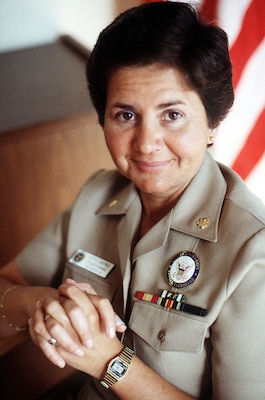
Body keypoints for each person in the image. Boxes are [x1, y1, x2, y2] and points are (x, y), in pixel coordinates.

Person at [0, 2, 265, 399]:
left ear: (212, 123)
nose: (145, 144)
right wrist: (41, 304)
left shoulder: (252, 249)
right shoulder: (98, 194)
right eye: (125, 115)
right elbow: (8, 287)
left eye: (172, 115)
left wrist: (108, 362)